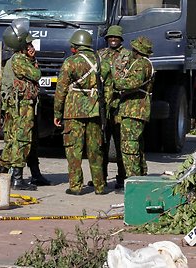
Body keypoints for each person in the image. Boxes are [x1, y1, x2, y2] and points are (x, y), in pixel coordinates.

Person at [53, 29, 111, 195]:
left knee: (73, 150)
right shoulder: (102, 62)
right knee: (96, 149)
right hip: (95, 112)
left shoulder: (70, 62)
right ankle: (100, 186)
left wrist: (57, 113)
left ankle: (76, 186)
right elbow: (108, 89)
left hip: (73, 112)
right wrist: (103, 109)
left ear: (76, 46)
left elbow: (61, 90)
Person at [0, 24, 50, 190]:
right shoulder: (20, 60)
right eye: (29, 45)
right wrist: (33, 61)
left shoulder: (19, 59)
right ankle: (17, 179)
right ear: (22, 47)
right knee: (22, 139)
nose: (32, 47)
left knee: (17, 140)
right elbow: (36, 75)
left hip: (23, 105)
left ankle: (4, 173)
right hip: (22, 106)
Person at [111, 36, 154, 186]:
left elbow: (132, 83)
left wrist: (116, 80)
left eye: (134, 49)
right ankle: (141, 175)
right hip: (136, 109)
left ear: (137, 50)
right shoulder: (144, 63)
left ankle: (133, 181)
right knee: (137, 145)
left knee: (129, 146)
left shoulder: (141, 64)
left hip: (134, 109)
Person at [95, 25, 130, 189]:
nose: (113, 40)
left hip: (120, 105)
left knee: (120, 143)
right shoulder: (101, 54)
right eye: (110, 37)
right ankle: (100, 177)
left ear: (121, 39)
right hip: (103, 105)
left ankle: (122, 177)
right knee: (101, 143)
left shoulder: (127, 56)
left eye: (116, 37)